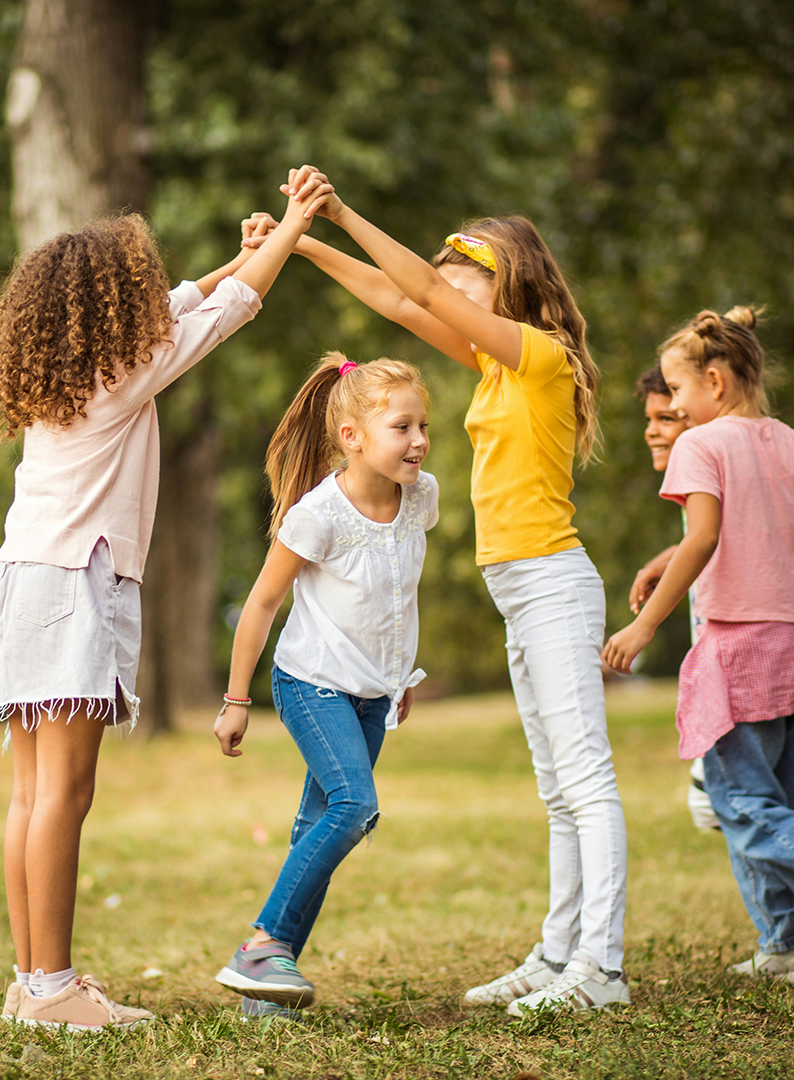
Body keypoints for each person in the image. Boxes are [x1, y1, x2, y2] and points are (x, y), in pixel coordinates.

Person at [259, 165, 630, 1015]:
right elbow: (400, 303)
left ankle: (599, 969)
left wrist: (344, 206)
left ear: (506, 280)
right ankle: (558, 953)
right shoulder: (497, 365)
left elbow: (419, 285)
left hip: (552, 583)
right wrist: (301, 237)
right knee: (556, 785)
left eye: (465, 273)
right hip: (518, 587)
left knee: (585, 780)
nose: (445, 283)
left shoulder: (539, 356)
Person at [0, 178, 332, 1032]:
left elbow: (196, 295)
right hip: (72, 583)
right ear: (110, 308)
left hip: (21, 578)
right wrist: (289, 229)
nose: (155, 297)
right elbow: (235, 305)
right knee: (67, 791)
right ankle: (54, 988)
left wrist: (248, 251)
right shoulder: (125, 370)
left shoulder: (68, 374)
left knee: (31, 794)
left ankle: (33, 983)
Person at [603, 308, 794, 987]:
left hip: (737, 650)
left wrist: (645, 624)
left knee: (739, 803)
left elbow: (706, 536)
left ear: (713, 380)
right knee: (782, 807)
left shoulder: (699, 445)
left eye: (676, 394)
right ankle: (789, 945)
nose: (672, 408)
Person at [211, 354, 437, 1025]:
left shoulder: (421, 496)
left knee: (319, 829)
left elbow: (394, 596)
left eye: (425, 426)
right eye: (403, 427)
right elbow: (260, 604)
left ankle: (264, 996)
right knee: (353, 807)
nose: (420, 440)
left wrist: (401, 676)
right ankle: (260, 945)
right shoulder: (320, 514)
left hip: (370, 693)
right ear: (352, 436)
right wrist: (235, 700)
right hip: (310, 684)